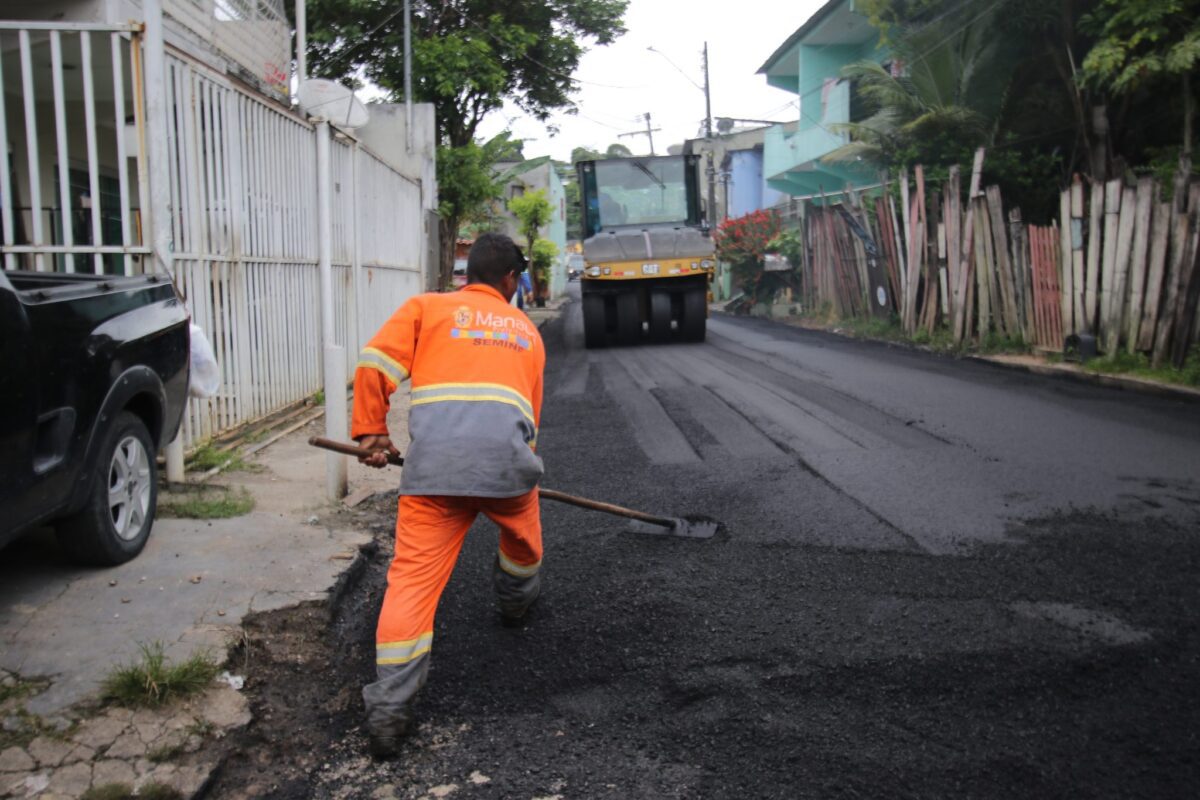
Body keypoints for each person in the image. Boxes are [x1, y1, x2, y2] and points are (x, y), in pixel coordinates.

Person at [351, 232, 546, 759]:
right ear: (510, 280)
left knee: (411, 583)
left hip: (433, 470)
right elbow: (530, 419)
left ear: (467, 273)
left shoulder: (426, 308)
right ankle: (515, 606)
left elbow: (374, 363)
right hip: (507, 467)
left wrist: (371, 431)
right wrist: (513, 465)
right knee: (523, 545)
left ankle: (389, 708)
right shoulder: (528, 332)